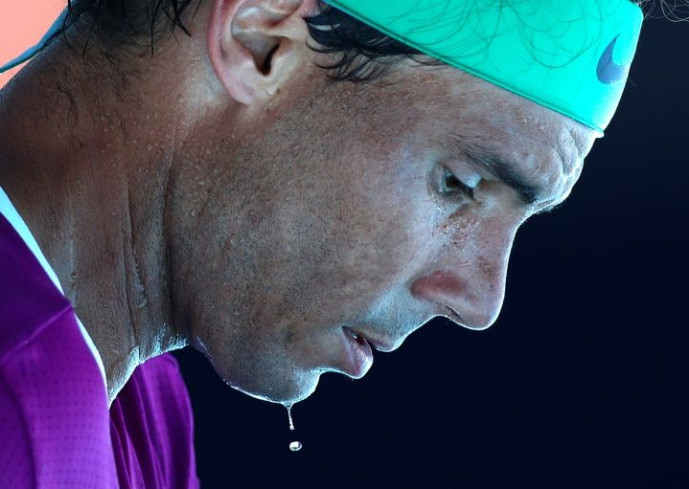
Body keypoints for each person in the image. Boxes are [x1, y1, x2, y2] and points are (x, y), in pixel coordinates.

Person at [0, 0, 644, 487]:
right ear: (261, 42)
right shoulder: (18, 411)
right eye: (459, 184)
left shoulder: (140, 412)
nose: (481, 301)